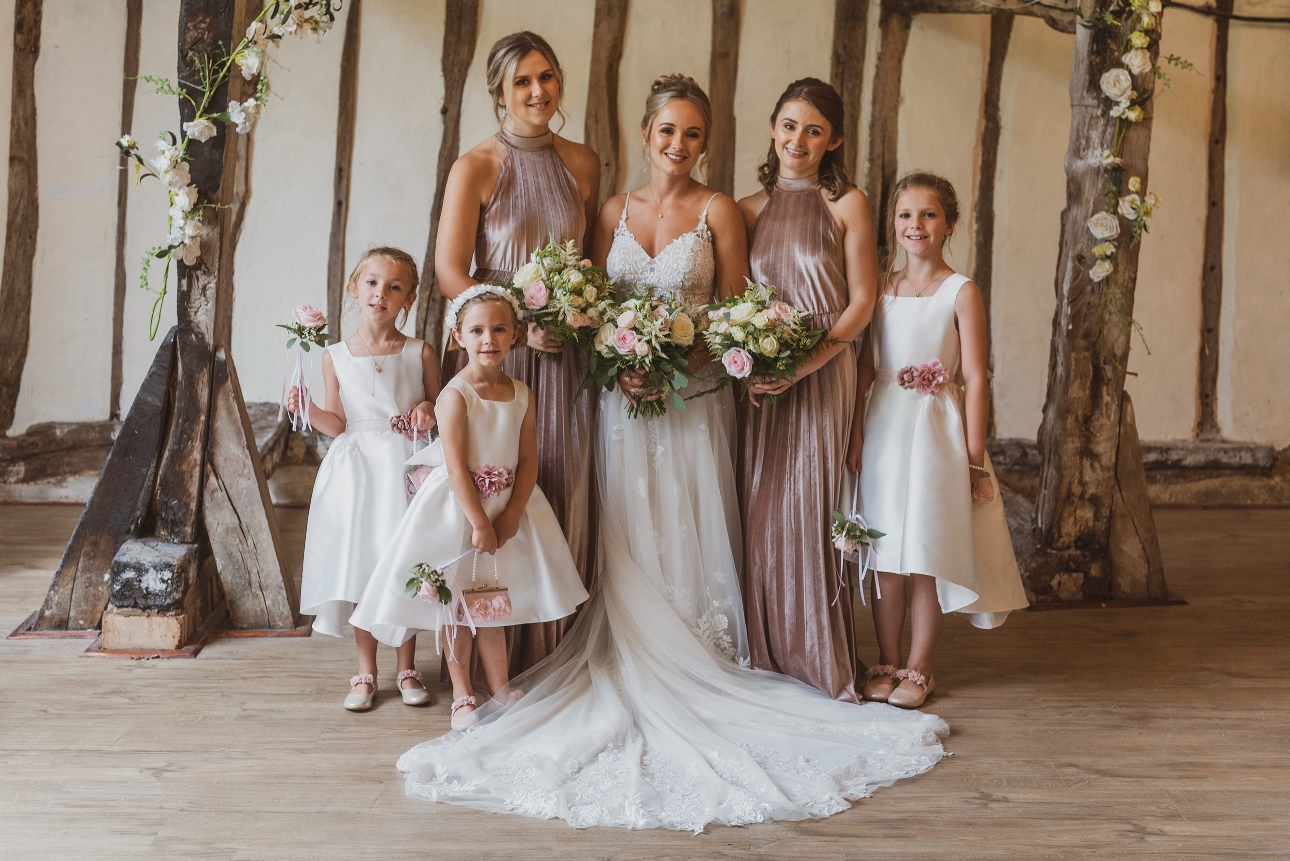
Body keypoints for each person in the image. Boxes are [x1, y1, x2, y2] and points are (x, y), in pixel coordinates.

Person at [388, 76, 947, 833]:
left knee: (688, 522)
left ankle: (704, 652)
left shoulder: (720, 210)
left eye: (691, 134)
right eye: (666, 131)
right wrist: (615, 354)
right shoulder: (613, 209)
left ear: (705, 143)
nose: (677, 145)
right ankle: (622, 647)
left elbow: (734, 304)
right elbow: (589, 302)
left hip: (694, 398)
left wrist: (680, 363)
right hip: (620, 401)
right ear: (647, 133)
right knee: (625, 527)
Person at [434, 31, 601, 676]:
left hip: (564, 357)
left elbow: (583, 260)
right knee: (494, 486)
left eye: (548, 78)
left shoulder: (582, 162)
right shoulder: (475, 165)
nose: (539, 92)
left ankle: (553, 643)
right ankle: (488, 651)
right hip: (495, 356)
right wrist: (514, 327)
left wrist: (572, 314)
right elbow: (452, 272)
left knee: (559, 481)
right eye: (523, 82)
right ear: (499, 93)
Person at [349, 286, 588, 728]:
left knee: (487, 604)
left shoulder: (521, 393)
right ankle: (462, 694)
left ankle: (499, 689)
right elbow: (456, 466)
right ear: (458, 337)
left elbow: (530, 459)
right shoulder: (454, 395)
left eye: (499, 329)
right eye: (477, 330)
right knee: (455, 608)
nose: (488, 339)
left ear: (516, 334)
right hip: (459, 511)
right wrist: (479, 520)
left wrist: (512, 514)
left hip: (506, 508)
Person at [849, 172, 1029, 709]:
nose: (915, 225)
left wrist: (973, 459)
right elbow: (864, 369)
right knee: (884, 549)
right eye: (905, 214)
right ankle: (885, 658)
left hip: (934, 431)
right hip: (883, 423)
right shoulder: (880, 286)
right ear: (892, 224)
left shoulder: (960, 290)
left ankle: (919, 665)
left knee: (925, 546)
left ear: (949, 224)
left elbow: (974, 377)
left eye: (928, 215)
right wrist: (855, 433)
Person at [736, 78, 879, 703]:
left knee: (814, 506)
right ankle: (767, 650)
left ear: (835, 141)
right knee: (761, 510)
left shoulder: (848, 204)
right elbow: (735, 303)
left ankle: (821, 656)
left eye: (814, 130)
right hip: (763, 375)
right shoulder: (745, 209)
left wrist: (805, 364)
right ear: (772, 128)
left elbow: (863, 301)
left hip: (824, 368)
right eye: (790, 125)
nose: (799, 140)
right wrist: (750, 364)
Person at [293, 247, 439, 711]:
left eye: (394, 287)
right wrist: (308, 409)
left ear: (409, 299)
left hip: (404, 463)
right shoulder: (334, 356)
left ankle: (408, 666)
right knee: (363, 563)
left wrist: (425, 410)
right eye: (372, 283)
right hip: (357, 471)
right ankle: (365, 670)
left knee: (404, 559)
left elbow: (442, 408)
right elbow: (338, 422)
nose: (381, 294)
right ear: (355, 288)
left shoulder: (420, 352)